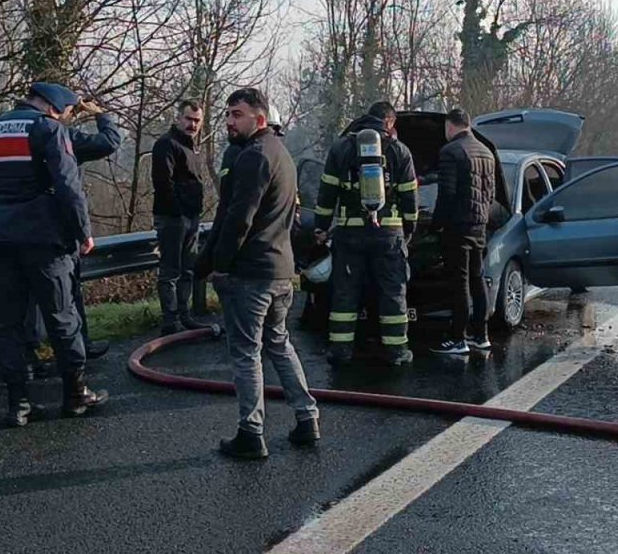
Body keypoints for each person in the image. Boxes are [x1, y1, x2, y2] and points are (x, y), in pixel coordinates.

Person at [0, 82, 108, 427]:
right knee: (62, 318)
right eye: (65, 111)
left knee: (8, 325)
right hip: (44, 239)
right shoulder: (49, 129)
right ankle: (76, 396)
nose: (65, 117)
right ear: (52, 107)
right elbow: (67, 185)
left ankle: (18, 404)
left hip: (1, 240)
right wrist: (83, 232)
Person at [197, 88, 319, 459]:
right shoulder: (283, 155)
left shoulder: (253, 157)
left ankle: (251, 433)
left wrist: (217, 265)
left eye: (237, 114)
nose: (229, 122)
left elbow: (237, 219)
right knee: (279, 345)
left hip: (251, 274)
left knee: (247, 353)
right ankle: (307, 417)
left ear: (260, 119)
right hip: (281, 270)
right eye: (228, 115)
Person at [313, 101, 419, 367]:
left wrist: (321, 226)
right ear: (390, 122)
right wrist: (408, 231)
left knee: (344, 293)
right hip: (388, 235)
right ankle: (396, 352)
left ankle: (341, 350)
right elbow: (410, 197)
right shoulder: (399, 150)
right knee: (393, 292)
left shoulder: (341, 148)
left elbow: (327, 194)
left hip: (349, 235)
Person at [21, 93, 122, 369]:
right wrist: (101, 114)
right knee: (66, 295)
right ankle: (75, 357)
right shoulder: (61, 135)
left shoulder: (17, 132)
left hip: (17, 226)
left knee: (27, 298)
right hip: (55, 227)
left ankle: (32, 357)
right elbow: (109, 142)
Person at [429, 109, 496, 355]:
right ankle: (482, 335)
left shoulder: (451, 152)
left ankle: (458, 338)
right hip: (479, 225)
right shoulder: (486, 151)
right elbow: (491, 192)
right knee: (478, 279)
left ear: (450, 126)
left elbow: (446, 194)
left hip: (457, 226)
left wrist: (435, 225)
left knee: (459, 282)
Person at [151, 99, 214, 335]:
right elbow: (162, 182)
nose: (193, 124)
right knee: (170, 270)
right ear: (178, 118)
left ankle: (184, 315)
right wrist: (177, 211)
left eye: (197, 120)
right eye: (189, 119)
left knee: (188, 269)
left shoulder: (191, 147)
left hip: (191, 216)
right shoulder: (166, 144)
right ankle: (170, 320)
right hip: (172, 217)